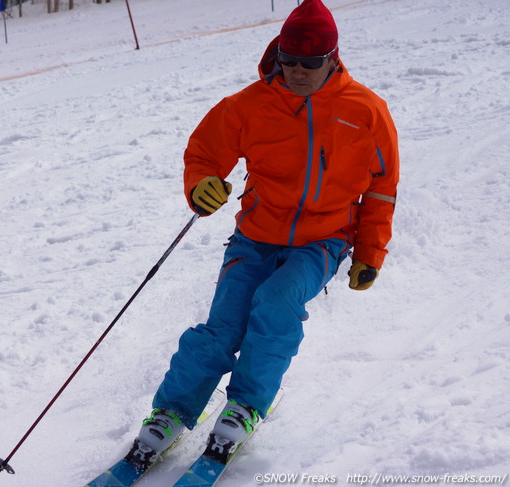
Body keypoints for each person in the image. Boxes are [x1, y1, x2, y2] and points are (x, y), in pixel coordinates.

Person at [130, 0, 400, 467]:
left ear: (332, 58)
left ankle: (247, 405)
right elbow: (203, 154)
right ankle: (170, 413)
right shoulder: (250, 105)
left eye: (308, 63)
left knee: (275, 304)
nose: (296, 72)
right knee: (225, 323)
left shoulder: (367, 112)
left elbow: (381, 190)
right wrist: (201, 186)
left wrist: (370, 252)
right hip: (255, 235)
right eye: (288, 61)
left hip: (324, 239)